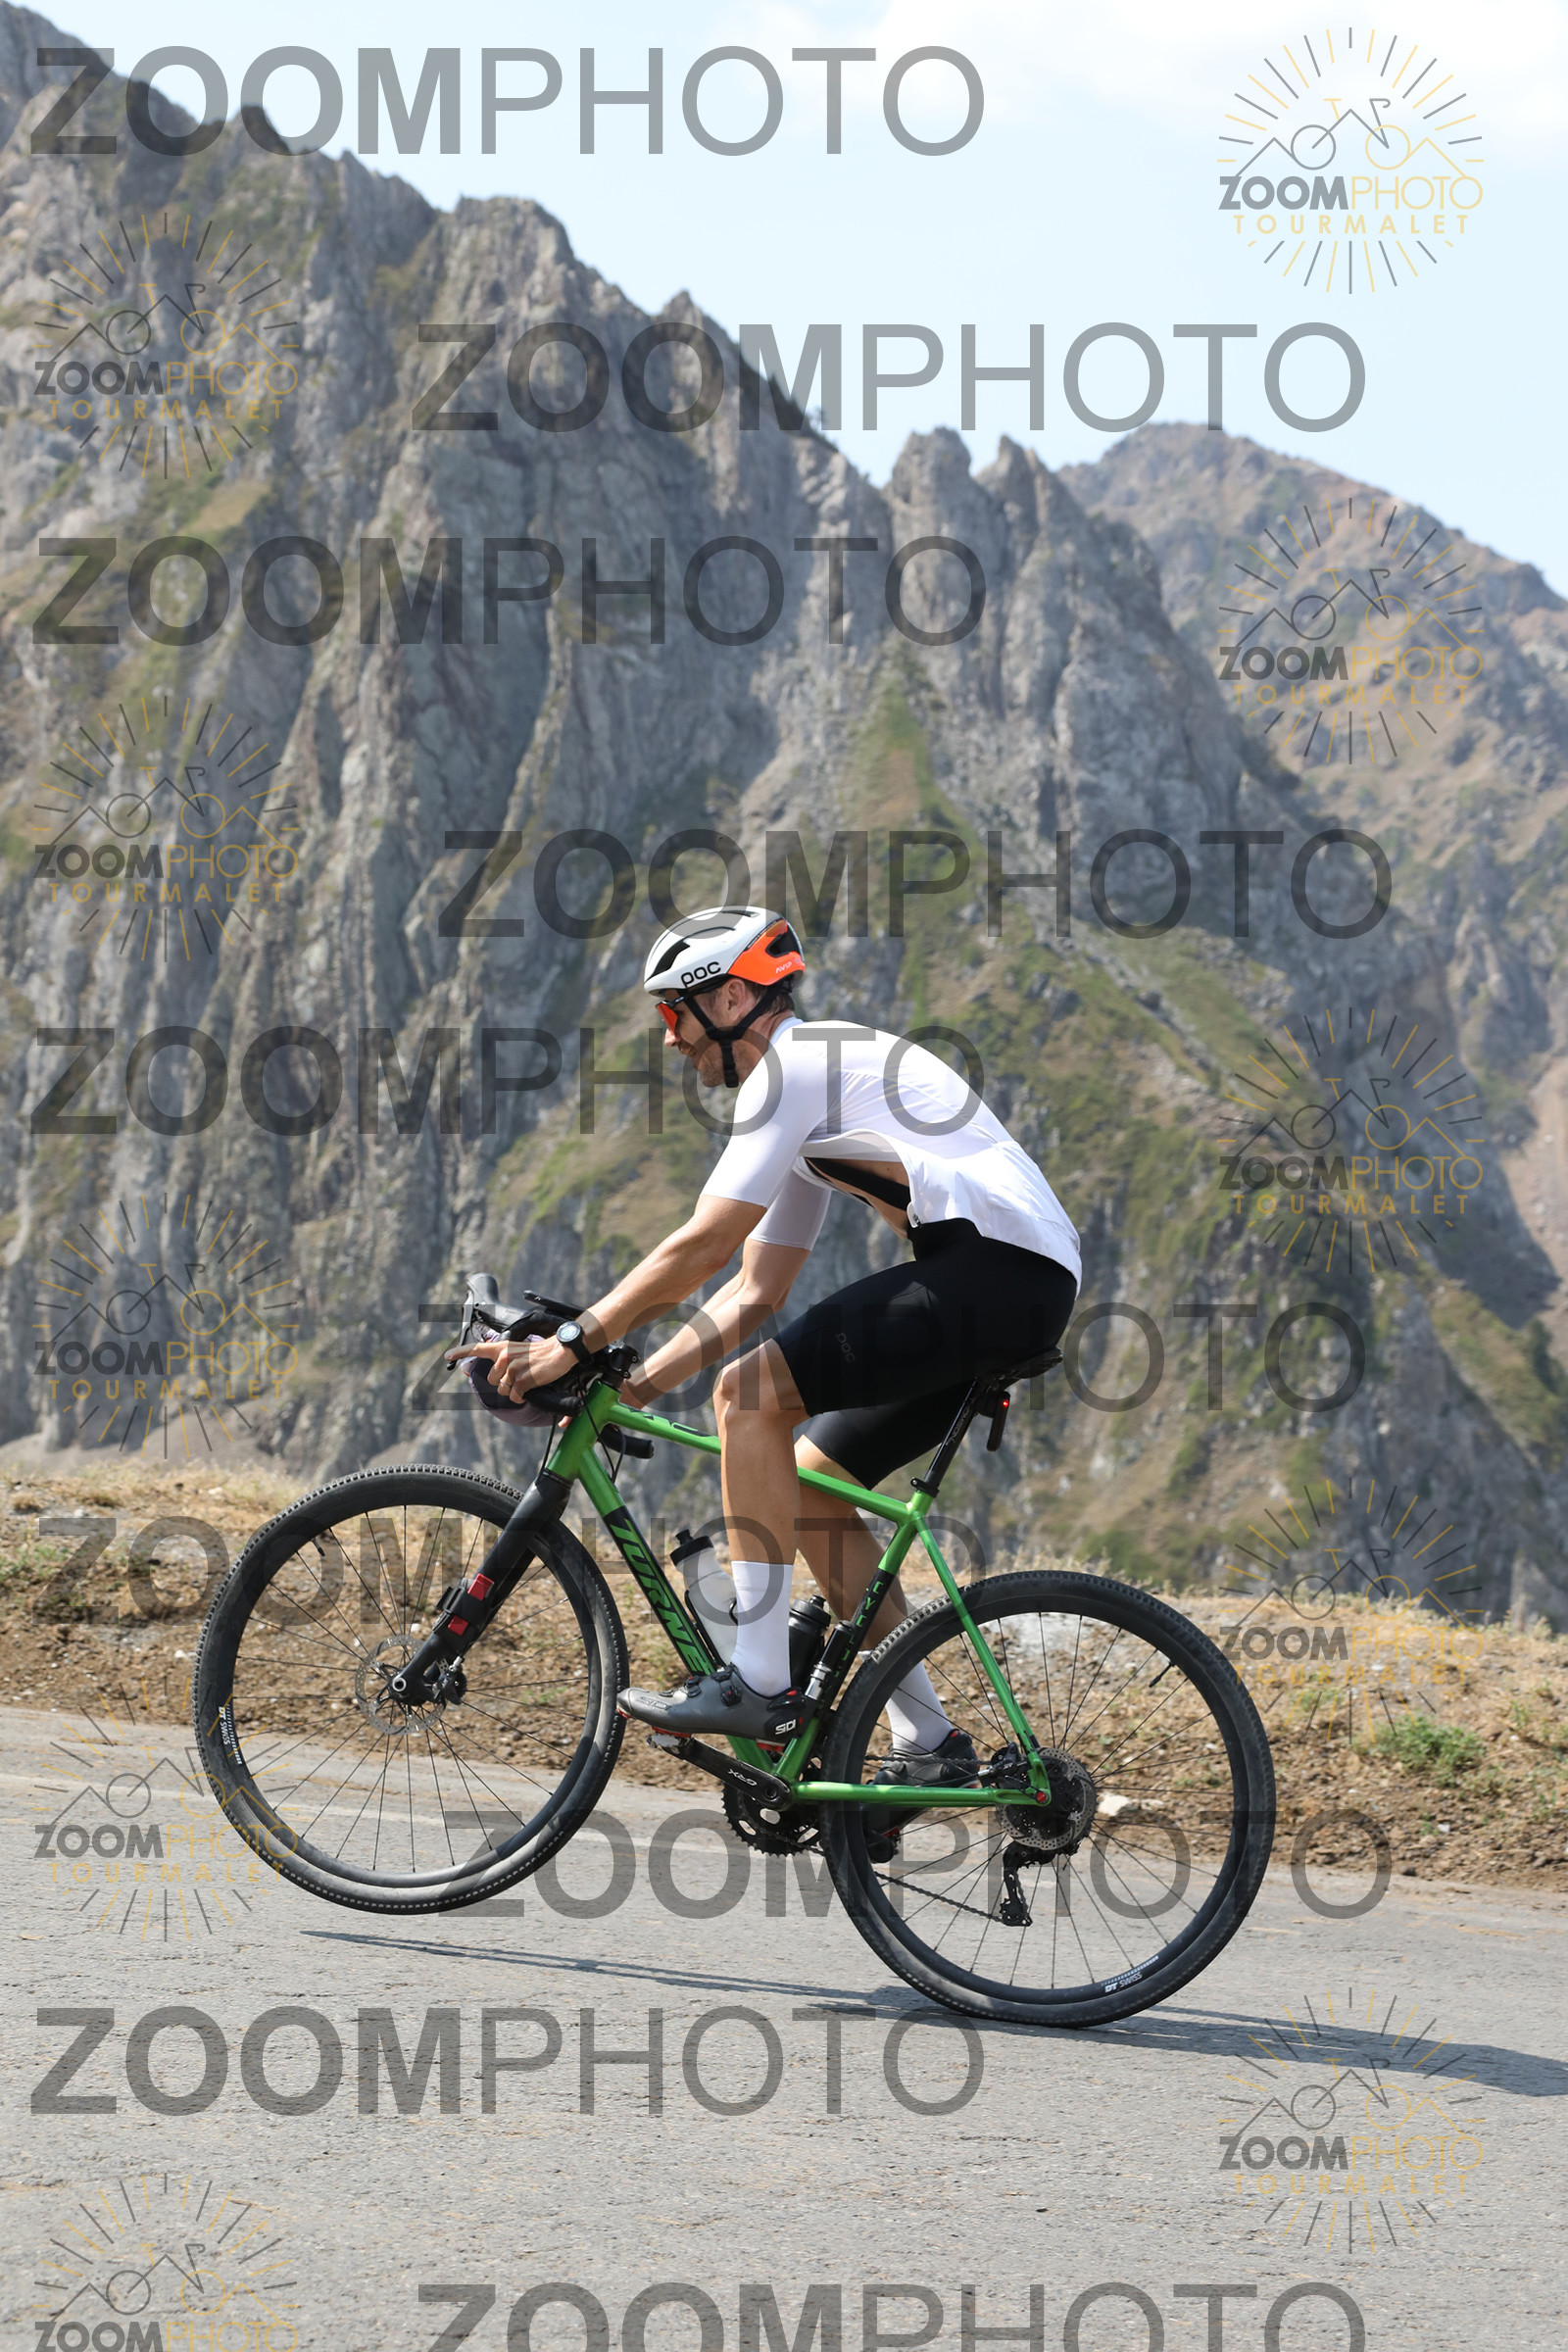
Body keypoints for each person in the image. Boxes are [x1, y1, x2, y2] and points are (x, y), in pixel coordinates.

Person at [463, 905, 1080, 1788]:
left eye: (674, 1012)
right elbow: (755, 1288)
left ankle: (757, 1683)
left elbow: (703, 1244)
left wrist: (571, 1340)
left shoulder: (792, 1069)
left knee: (748, 1396)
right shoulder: (811, 1092)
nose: (670, 1039)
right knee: (812, 1484)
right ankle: (930, 1745)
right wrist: (633, 1385)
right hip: (1008, 1284)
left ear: (729, 999)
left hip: (993, 1273)